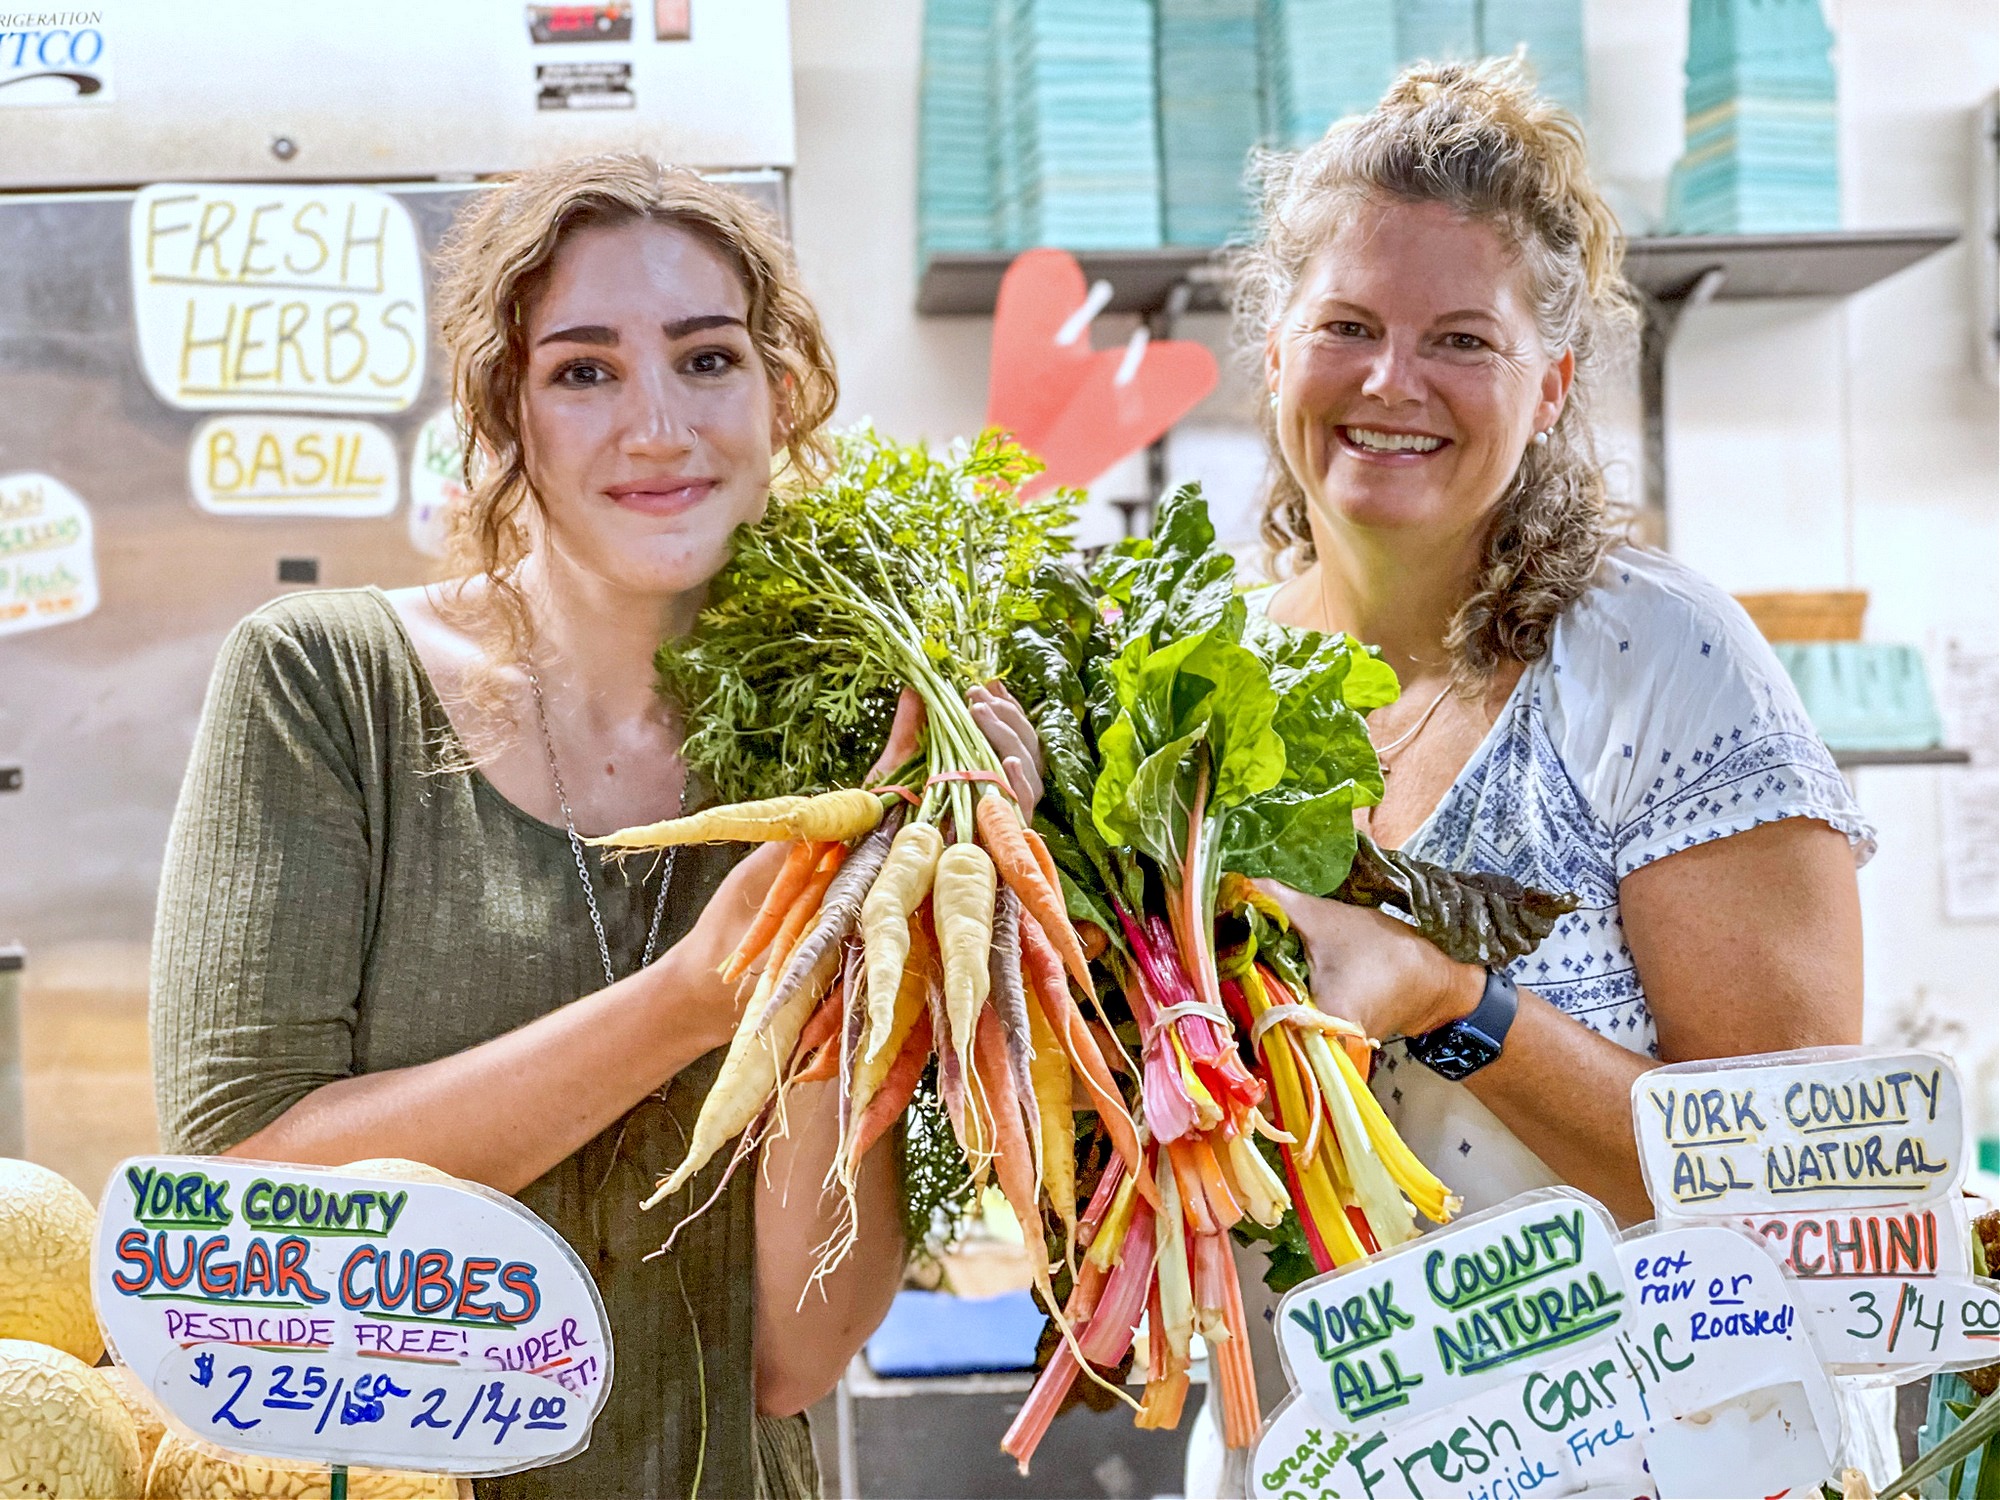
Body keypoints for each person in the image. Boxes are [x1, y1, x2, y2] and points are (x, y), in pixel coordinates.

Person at [150, 155, 1042, 1500]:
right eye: (583, 371)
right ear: (506, 408)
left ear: (777, 393)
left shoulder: (849, 750)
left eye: (705, 360)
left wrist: (888, 940)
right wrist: (692, 1004)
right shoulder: (326, 684)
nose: (659, 427)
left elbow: (794, 1355)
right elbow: (236, 1195)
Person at [1186, 57, 1878, 1494]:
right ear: (1272, 355)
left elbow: (1797, 1199)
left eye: (1461, 340)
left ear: (1552, 383)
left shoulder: (1654, 662)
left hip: (1655, 1462)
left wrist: (1453, 1000)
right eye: (1348, 327)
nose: (1392, 383)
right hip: (1314, 1457)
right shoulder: (1193, 690)